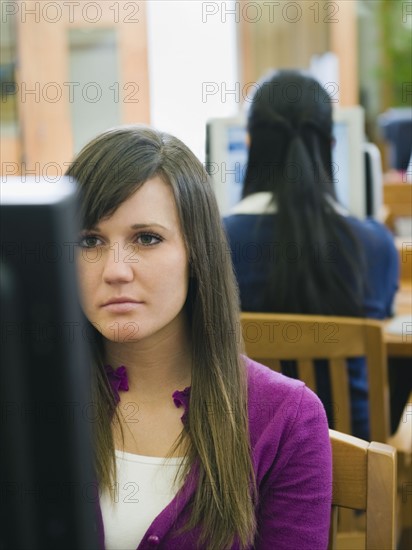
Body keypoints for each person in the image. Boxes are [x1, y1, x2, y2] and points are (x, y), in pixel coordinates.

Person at [66, 125, 332, 550]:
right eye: (90, 240)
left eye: (146, 238)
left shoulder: (287, 418)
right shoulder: (31, 397)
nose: (115, 270)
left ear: (198, 254)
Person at [223, 70, 399, 441]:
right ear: (331, 145)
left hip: (245, 457)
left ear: (251, 142)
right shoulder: (375, 245)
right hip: (351, 466)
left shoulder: (210, 243)